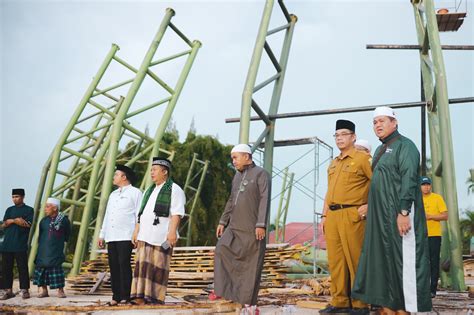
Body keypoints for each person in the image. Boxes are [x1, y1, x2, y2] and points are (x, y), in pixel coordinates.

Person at [352, 106, 432, 314]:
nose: (378, 125)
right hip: (380, 219)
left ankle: (406, 308)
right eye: (375, 122)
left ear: (394, 123)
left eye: (382, 121)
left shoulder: (406, 146)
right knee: (383, 261)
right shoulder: (380, 150)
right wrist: (371, 204)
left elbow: (409, 180)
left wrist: (403, 212)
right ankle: (388, 307)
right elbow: (380, 184)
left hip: (399, 216)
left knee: (403, 262)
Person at [319, 120, 372, 315]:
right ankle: (340, 301)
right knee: (336, 260)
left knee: (356, 259)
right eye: (337, 135)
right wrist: (324, 215)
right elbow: (329, 192)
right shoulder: (334, 163)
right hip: (332, 215)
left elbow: (379, 184)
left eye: (344, 134)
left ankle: (360, 303)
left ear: (353, 137)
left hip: (353, 214)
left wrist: (369, 205)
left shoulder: (363, 159)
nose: (340, 138)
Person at [213, 144, 271, 312]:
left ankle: (248, 302)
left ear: (247, 156)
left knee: (251, 265)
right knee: (221, 249)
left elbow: (264, 200)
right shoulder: (236, 177)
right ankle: (227, 292)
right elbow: (231, 200)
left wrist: (261, 224)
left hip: (253, 228)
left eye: (235, 157)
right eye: (232, 158)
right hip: (234, 226)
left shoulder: (261, 174)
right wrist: (223, 221)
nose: (233, 161)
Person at [130, 157, 185, 305]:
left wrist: (172, 232)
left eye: (155, 170)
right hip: (144, 234)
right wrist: (136, 231)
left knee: (158, 267)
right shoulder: (149, 190)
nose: (151, 173)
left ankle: (154, 298)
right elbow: (141, 214)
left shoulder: (174, 189)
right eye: (151, 170)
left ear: (164, 172)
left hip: (162, 236)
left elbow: (177, 213)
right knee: (142, 266)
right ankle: (139, 296)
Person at [98, 164, 142, 306]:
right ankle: (115, 296)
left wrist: (136, 233)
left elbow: (138, 215)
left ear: (124, 177)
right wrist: (102, 234)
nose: (114, 177)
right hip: (112, 235)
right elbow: (107, 215)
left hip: (126, 235)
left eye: (116, 175)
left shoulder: (135, 193)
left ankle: (126, 296)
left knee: (124, 264)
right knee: (114, 266)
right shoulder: (113, 194)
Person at [33, 197, 71, 298]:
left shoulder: (64, 220)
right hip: (43, 249)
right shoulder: (43, 221)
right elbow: (40, 235)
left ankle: (60, 291)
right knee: (42, 270)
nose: (45, 209)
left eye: (47, 207)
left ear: (55, 208)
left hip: (56, 249)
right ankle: (44, 291)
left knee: (56, 269)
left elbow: (67, 235)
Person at [0, 188, 34, 300]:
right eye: (13, 197)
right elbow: (4, 224)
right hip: (7, 244)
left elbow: (28, 224)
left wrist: (12, 221)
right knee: (6, 269)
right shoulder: (9, 209)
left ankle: (24, 290)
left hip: (20, 244)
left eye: (17, 196)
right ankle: (7, 290)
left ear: (23, 197)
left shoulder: (29, 210)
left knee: (22, 268)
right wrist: (16, 221)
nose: (15, 199)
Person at [420, 176, 448, 298]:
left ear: (430, 186)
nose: (425, 187)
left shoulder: (437, 198)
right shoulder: (416, 199)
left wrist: (430, 216)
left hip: (434, 235)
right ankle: (421, 288)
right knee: (421, 262)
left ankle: (432, 290)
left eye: (427, 184)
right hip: (420, 235)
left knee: (434, 262)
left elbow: (445, 216)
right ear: (420, 186)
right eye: (423, 184)